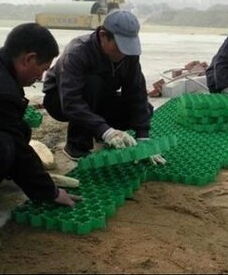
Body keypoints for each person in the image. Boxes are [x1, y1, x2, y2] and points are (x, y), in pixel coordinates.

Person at [0, 23, 81, 236]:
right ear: (29, 59)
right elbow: (19, 152)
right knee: (1, 146)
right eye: (43, 68)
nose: (40, 78)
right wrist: (50, 192)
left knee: (19, 129)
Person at [43, 9, 165, 165]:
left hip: (100, 98)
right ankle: (76, 145)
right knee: (92, 83)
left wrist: (143, 137)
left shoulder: (129, 55)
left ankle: (99, 130)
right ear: (103, 36)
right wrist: (107, 132)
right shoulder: (77, 52)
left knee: (144, 109)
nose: (124, 54)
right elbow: (70, 101)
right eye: (120, 47)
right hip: (61, 101)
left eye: (128, 48)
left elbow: (136, 92)